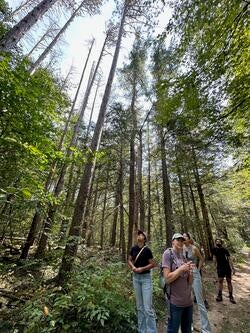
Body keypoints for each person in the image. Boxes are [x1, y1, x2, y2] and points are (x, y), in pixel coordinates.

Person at [162, 233, 193, 333]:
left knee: (187, 330)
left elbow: (190, 282)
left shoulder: (183, 256)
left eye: (182, 240)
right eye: (178, 240)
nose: (180, 242)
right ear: (172, 241)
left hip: (188, 301)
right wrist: (181, 269)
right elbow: (167, 279)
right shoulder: (168, 254)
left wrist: (190, 273)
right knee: (173, 330)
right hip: (175, 303)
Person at [128, 230, 157, 333]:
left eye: (141, 235)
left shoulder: (147, 250)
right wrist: (133, 267)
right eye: (138, 234)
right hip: (136, 278)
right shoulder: (133, 249)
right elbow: (129, 260)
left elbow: (153, 264)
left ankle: (151, 331)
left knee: (147, 308)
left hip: (146, 279)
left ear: (144, 238)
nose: (139, 236)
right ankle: (142, 330)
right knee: (139, 307)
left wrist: (142, 269)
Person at [183, 233, 212, 333]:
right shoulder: (181, 248)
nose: (183, 237)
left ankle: (206, 329)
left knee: (199, 301)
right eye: (182, 236)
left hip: (194, 274)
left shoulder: (194, 248)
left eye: (185, 236)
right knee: (188, 301)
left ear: (189, 238)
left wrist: (198, 269)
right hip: (184, 275)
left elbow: (201, 258)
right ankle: (189, 326)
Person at [212, 238, 236, 304]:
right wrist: (214, 267)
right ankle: (220, 296)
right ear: (215, 243)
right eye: (217, 242)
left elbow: (229, 259)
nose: (218, 243)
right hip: (219, 267)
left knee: (229, 281)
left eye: (219, 242)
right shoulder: (214, 249)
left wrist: (233, 268)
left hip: (227, 267)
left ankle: (231, 296)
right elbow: (214, 258)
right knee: (220, 281)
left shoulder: (225, 249)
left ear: (221, 243)